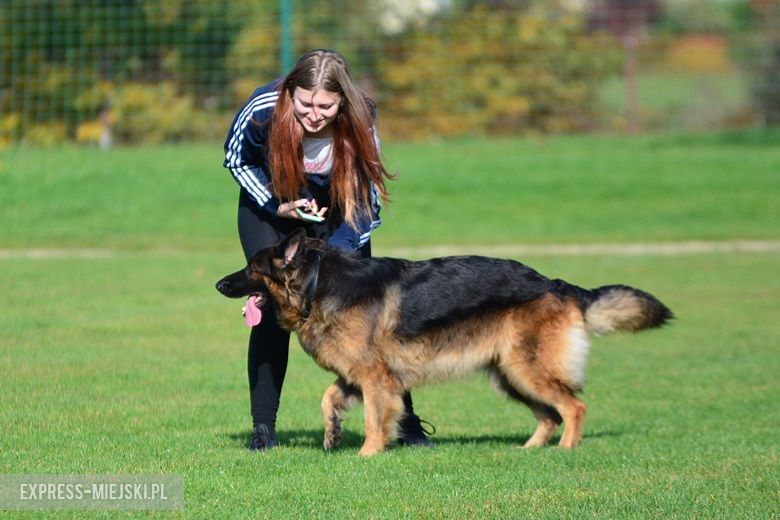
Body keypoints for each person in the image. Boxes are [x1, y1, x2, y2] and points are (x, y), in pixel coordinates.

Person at [222, 49, 433, 451]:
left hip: (340, 212)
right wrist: (275, 204)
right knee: (270, 310)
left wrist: (333, 265)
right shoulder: (263, 108)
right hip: (272, 207)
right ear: (290, 93)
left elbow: (365, 201)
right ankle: (263, 429)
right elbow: (237, 159)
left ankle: (407, 425)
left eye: (325, 106)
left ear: (343, 102)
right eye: (304, 104)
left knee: (368, 323)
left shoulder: (360, 120)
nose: (314, 114)